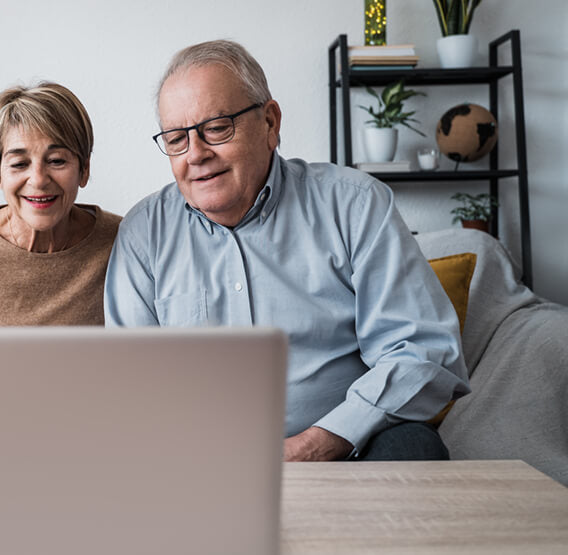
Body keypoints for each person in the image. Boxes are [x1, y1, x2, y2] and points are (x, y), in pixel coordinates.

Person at [104, 40, 470, 461]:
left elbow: (420, 347)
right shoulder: (143, 233)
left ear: (270, 122)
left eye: (217, 127)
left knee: (415, 449)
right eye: (176, 139)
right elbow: (136, 383)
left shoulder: (353, 205)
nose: (197, 155)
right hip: (201, 462)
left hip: (347, 449)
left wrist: (320, 443)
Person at [0, 82, 121, 326]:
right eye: (19, 163)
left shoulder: (123, 243)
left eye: (56, 161)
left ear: (84, 169)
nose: (38, 180)